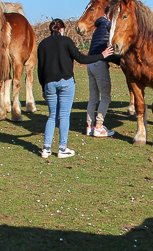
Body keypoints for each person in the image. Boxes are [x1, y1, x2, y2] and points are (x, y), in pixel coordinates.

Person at [36, 18, 112, 158]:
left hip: (49, 84)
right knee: (64, 116)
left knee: (52, 116)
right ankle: (62, 148)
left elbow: (40, 70)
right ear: (62, 29)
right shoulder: (67, 41)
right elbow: (82, 59)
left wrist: (43, 87)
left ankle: (46, 149)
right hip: (66, 82)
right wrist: (102, 55)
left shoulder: (42, 44)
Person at [85, 14, 116, 138]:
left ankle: (89, 126)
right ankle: (99, 126)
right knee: (106, 97)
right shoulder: (109, 25)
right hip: (100, 64)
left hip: (90, 64)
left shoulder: (99, 26)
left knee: (93, 97)